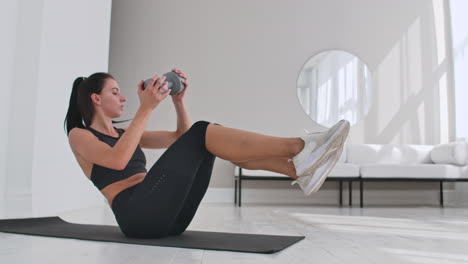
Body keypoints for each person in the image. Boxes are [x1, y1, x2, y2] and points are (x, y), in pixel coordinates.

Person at [63, 69, 349, 238]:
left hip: (169, 217)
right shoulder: (80, 135)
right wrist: (146, 107)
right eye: (115, 92)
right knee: (203, 132)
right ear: (96, 99)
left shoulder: (125, 134)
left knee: (208, 138)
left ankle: (295, 170)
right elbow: (117, 160)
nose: (123, 97)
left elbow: (181, 138)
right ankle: (299, 147)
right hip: (137, 216)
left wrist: (178, 101)